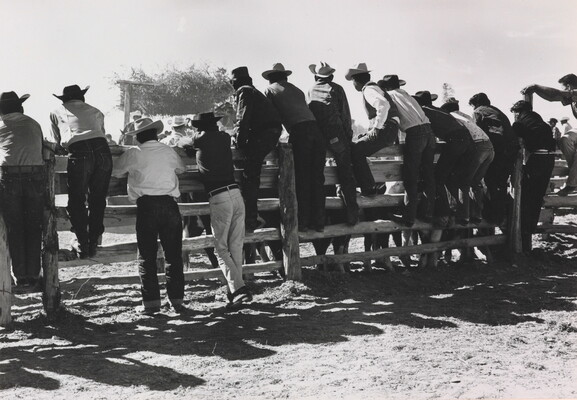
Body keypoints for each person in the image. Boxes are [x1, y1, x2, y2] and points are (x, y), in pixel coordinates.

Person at [112, 117, 186, 315]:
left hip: (147, 206)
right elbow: (181, 168)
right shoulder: (168, 150)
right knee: (173, 255)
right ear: (156, 134)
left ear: (138, 137)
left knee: (147, 256)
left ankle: (152, 303)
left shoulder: (133, 153)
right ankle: (177, 300)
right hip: (169, 204)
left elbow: (117, 172)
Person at [182, 112, 253, 309]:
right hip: (236, 193)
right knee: (235, 245)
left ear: (199, 127)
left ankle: (239, 289)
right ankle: (235, 289)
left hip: (218, 195)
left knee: (221, 248)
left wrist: (190, 148)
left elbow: (182, 141)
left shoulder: (199, 138)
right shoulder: (223, 137)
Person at [49, 84, 112, 258]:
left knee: (76, 199)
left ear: (65, 99)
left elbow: (58, 143)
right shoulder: (96, 111)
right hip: (102, 150)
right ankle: (93, 242)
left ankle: (82, 242)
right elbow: (101, 133)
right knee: (98, 199)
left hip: (79, 150)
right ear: (82, 97)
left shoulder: (56, 112)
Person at [263, 63, 326, 232]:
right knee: (317, 178)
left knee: (302, 178)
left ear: (270, 78)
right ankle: (319, 221)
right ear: (285, 77)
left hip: (299, 131)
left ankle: (303, 222)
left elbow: (272, 117)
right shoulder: (297, 90)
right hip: (316, 131)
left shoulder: (270, 90)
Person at [377, 74, 436, 227]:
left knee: (411, 176)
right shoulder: (407, 95)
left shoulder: (388, 96)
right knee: (428, 174)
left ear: (386, 86)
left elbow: (393, 120)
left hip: (415, 133)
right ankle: (428, 212)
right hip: (429, 132)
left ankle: (409, 216)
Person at [0, 92, 45, 292]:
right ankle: (33, 274)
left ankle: (21, 276)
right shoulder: (34, 124)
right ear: (20, 107)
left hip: (10, 177)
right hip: (35, 174)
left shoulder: (1, 125)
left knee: (15, 227)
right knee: (34, 226)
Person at [230, 66, 282, 232]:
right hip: (268, 132)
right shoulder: (253, 91)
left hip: (264, 133)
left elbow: (243, 118)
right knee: (252, 168)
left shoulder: (244, 92)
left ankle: (251, 218)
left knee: (250, 173)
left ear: (235, 83)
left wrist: (238, 141)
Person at [308, 62, 359, 225]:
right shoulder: (336, 88)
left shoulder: (310, 90)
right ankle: (352, 213)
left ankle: (319, 218)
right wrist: (348, 136)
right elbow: (345, 114)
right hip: (335, 133)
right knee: (345, 172)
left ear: (316, 76)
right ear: (330, 76)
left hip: (318, 135)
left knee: (317, 175)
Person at [413, 91, 475, 224]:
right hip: (466, 140)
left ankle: (443, 213)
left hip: (455, 141)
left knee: (438, 177)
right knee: (454, 177)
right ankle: (463, 213)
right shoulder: (437, 110)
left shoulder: (423, 112)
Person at [343, 63, 400, 197]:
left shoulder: (368, 89)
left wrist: (376, 128)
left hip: (386, 127)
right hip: (390, 128)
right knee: (360, 146)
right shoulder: (375, 88)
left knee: (356, 150)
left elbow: (383, 105)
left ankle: (369, 188)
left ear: (356, 80)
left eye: (353, 81)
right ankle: (377, 183)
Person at [510, 100, 556, 253]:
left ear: (519, 112)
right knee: (537, 197)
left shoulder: (520, 123)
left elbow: (514, 143)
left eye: (515, 112)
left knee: (526, 197)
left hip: (537, 158)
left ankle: (523, 234)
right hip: (549, 159)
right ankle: (529, 230)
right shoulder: (540, 121)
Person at [439, 98, 495, 223]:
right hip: (489, 147)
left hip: (477, 148)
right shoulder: (465, 116)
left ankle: (464, 216)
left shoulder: (451, 118)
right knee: (475, 181)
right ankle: (478, 214)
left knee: (462, 182)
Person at [522, 74, 577, 195]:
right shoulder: (572, 97)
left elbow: (555, 94)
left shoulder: (575, 92)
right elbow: (552, 97)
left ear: (568, 86)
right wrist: (536, 90)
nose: (562, 91)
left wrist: (536, 86)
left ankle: (572, 184)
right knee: (564, 140)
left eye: (563, 88)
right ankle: (575, 176)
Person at [468, 92, 518, 224]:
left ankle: (491, 217)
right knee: (501, 184)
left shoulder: (478, 112)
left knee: (489, 182)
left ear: (475, 104)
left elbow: (476, 132)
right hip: (509, 152)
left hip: (495, 151)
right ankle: (500, 216)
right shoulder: (499, 112)